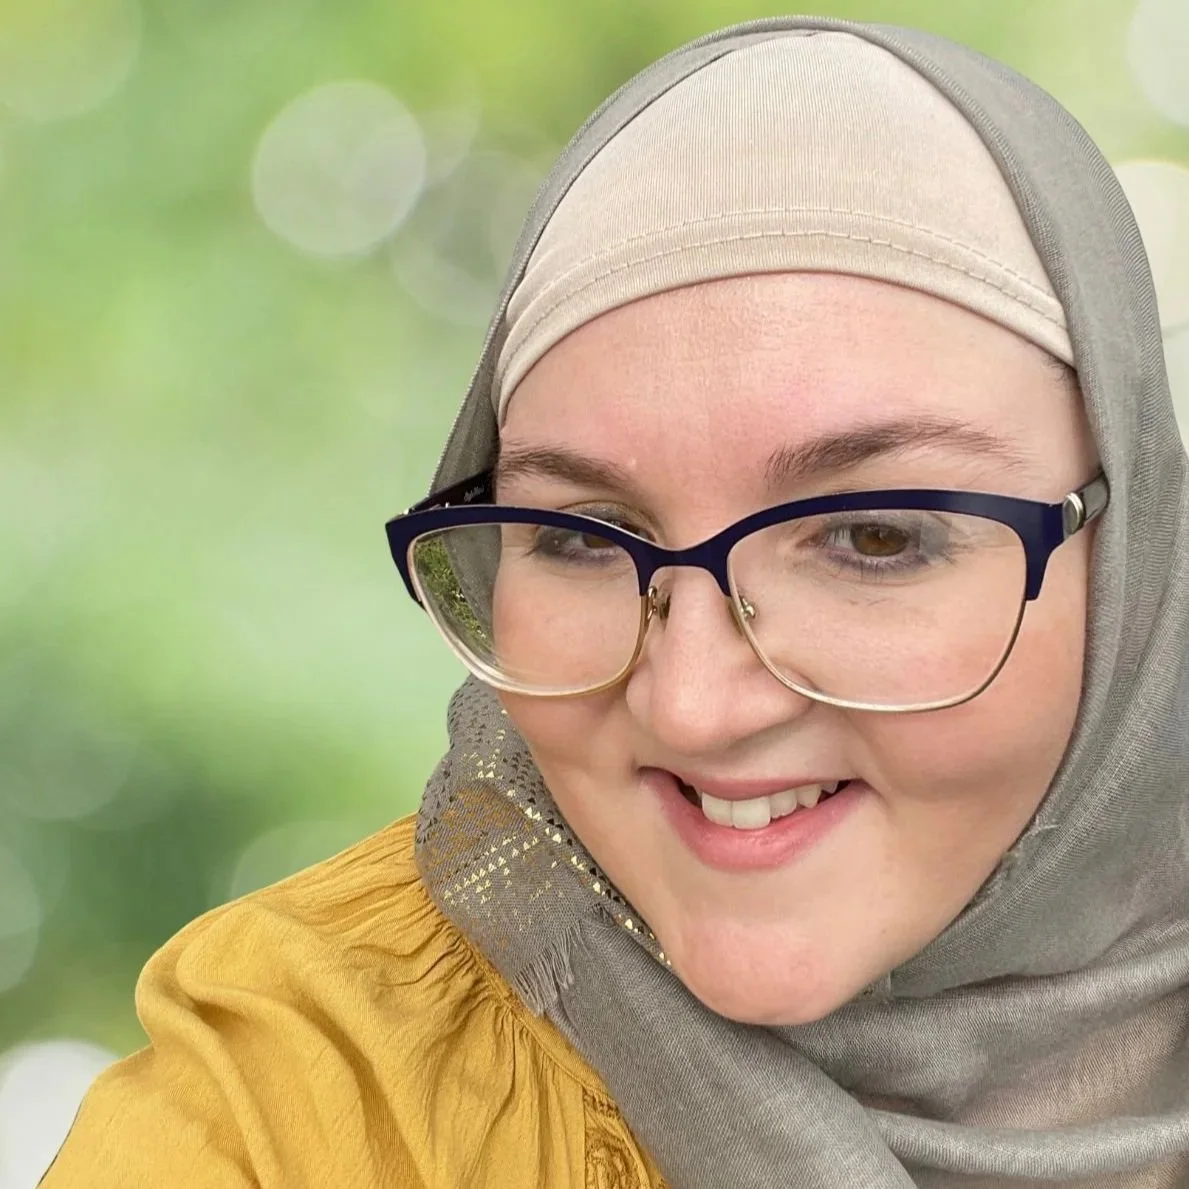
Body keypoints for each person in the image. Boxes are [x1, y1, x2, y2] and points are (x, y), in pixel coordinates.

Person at [40, 14, 1189, 1189]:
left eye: (871, 538)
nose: (693, 706)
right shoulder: (298, 1108)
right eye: (578, 538)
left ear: (1135, 563)